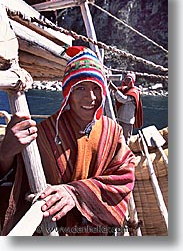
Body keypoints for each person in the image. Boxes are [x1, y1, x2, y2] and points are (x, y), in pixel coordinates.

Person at [0, 46, 136, 236]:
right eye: (80, 88)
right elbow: (16, 179)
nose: (91, 98)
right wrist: (6, 151)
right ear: (68, 93)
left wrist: (76, 193)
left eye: (96, 88)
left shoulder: (113, 132)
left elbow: (124, 178)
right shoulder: (44, 135)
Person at [109, 72, 143, 145]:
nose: (127, 81)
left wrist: (114, 89)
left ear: (132, 81)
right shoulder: (125, 90)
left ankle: (124, 154)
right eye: (126, 79)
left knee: (125, 139)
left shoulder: (134, 92)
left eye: (129, 79)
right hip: (119, 118)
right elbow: (118, 92)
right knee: (117, 138)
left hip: (127, 121)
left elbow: (123, 99)